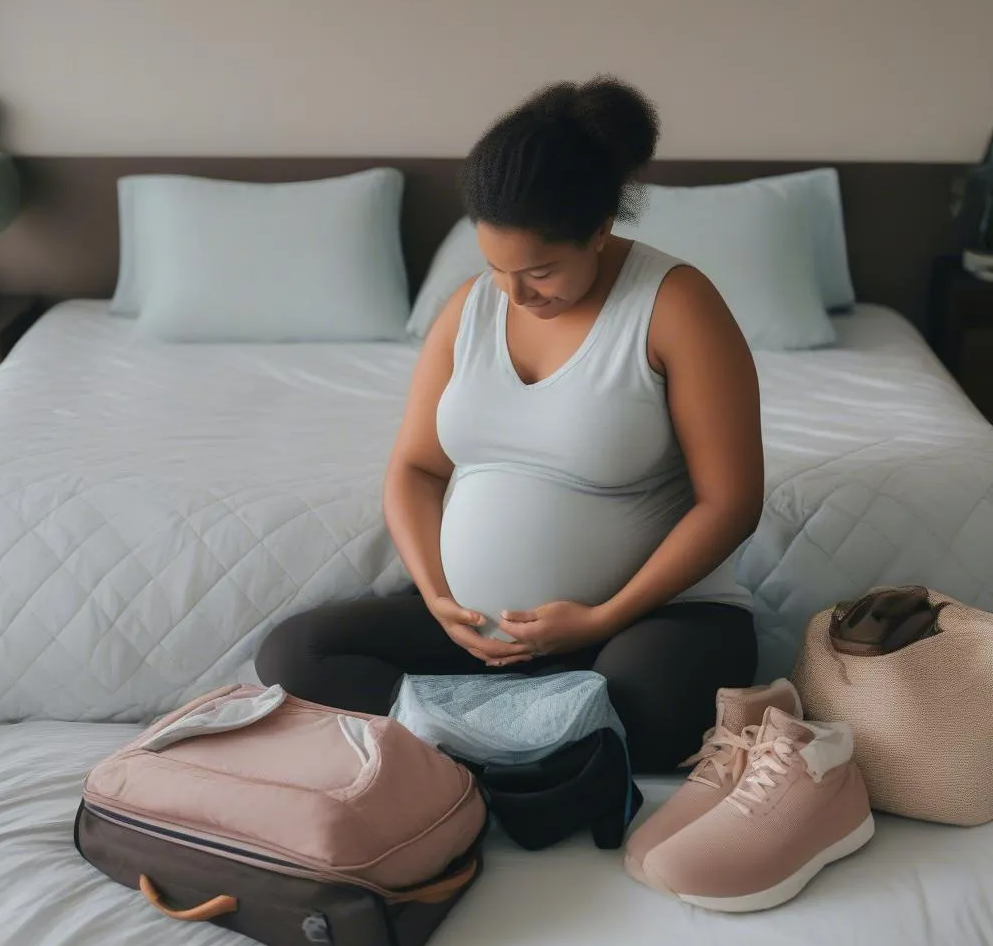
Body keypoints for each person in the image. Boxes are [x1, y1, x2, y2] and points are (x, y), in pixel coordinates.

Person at [256, 76, 763, 773]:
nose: (516, 294)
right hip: (481, 633)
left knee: (657, 699)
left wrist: (602, 617)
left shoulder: (676, 305)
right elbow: (416, 468)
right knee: (295, 656)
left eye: (541, 272)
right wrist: (437, 597)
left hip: (644, 622)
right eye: (495, 267)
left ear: (600, 230)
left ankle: (457, 740)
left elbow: (730, 502)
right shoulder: (469, 308)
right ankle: (540, 738)